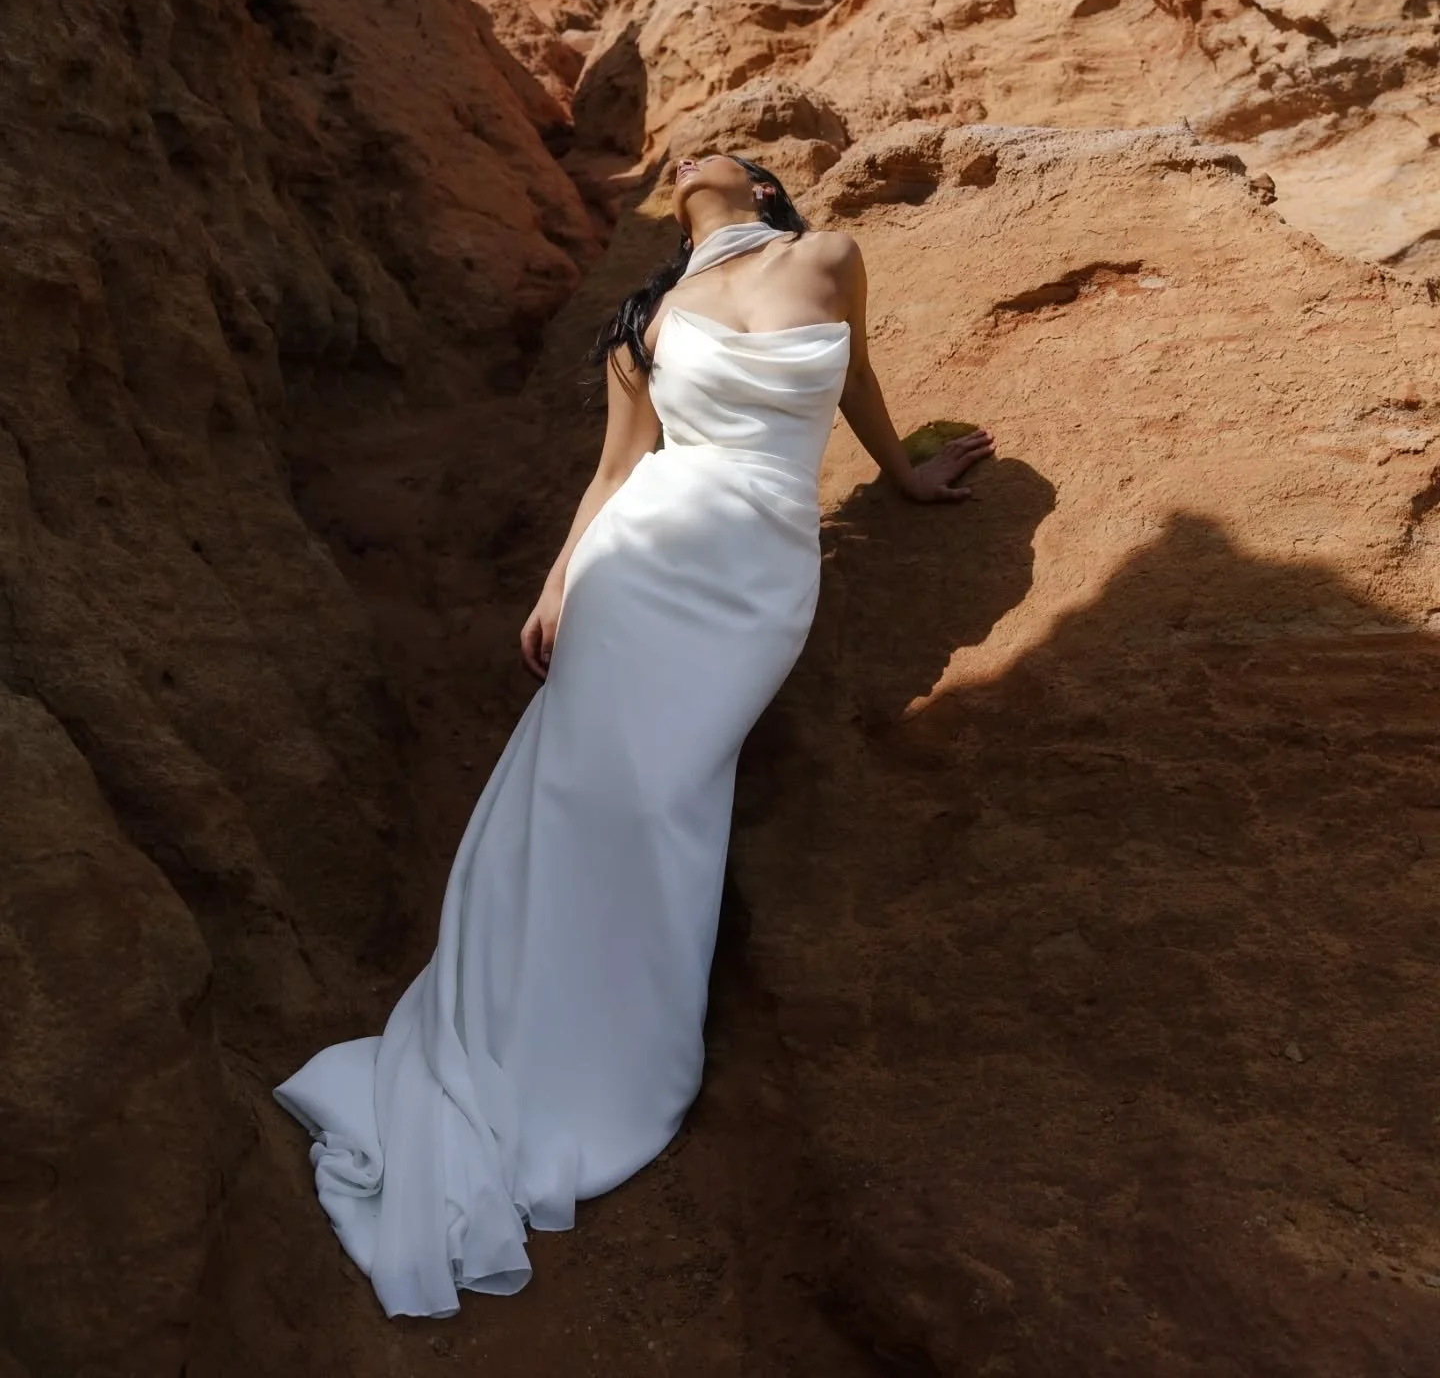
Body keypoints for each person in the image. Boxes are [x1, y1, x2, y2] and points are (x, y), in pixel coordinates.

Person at [274, 153, 995, 1319]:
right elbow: (616, 469)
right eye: (689, 156)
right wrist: (560, 579)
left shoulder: (826, 255)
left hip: (759, 563)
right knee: (597, 789)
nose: (700, 152)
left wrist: (906, 479)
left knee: (670, 792)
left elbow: (856, 378)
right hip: (637, 561)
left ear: (765, 192)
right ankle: (538, 1033)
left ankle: (611, 1049)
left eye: (732, 151)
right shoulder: (646, 321)